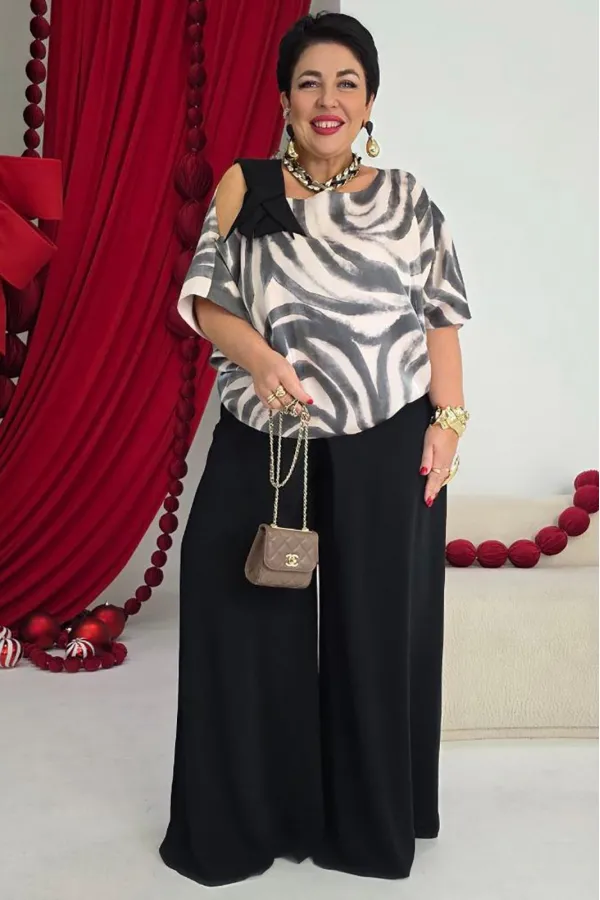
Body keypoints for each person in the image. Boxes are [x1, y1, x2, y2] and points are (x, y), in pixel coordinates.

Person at [159, 10, 472, 888]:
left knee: (378, 633)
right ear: (285, 99)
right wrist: (261, 360)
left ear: (368, 102)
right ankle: (248, 821)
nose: (327, 99)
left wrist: (447, 426)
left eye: (346, 83)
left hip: (387, 439)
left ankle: (370, 826)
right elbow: (206, 300)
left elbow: (441, 316)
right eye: (309, 82)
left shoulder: (406, 197)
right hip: (268, 435)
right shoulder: (247, 184)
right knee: (238, 612)